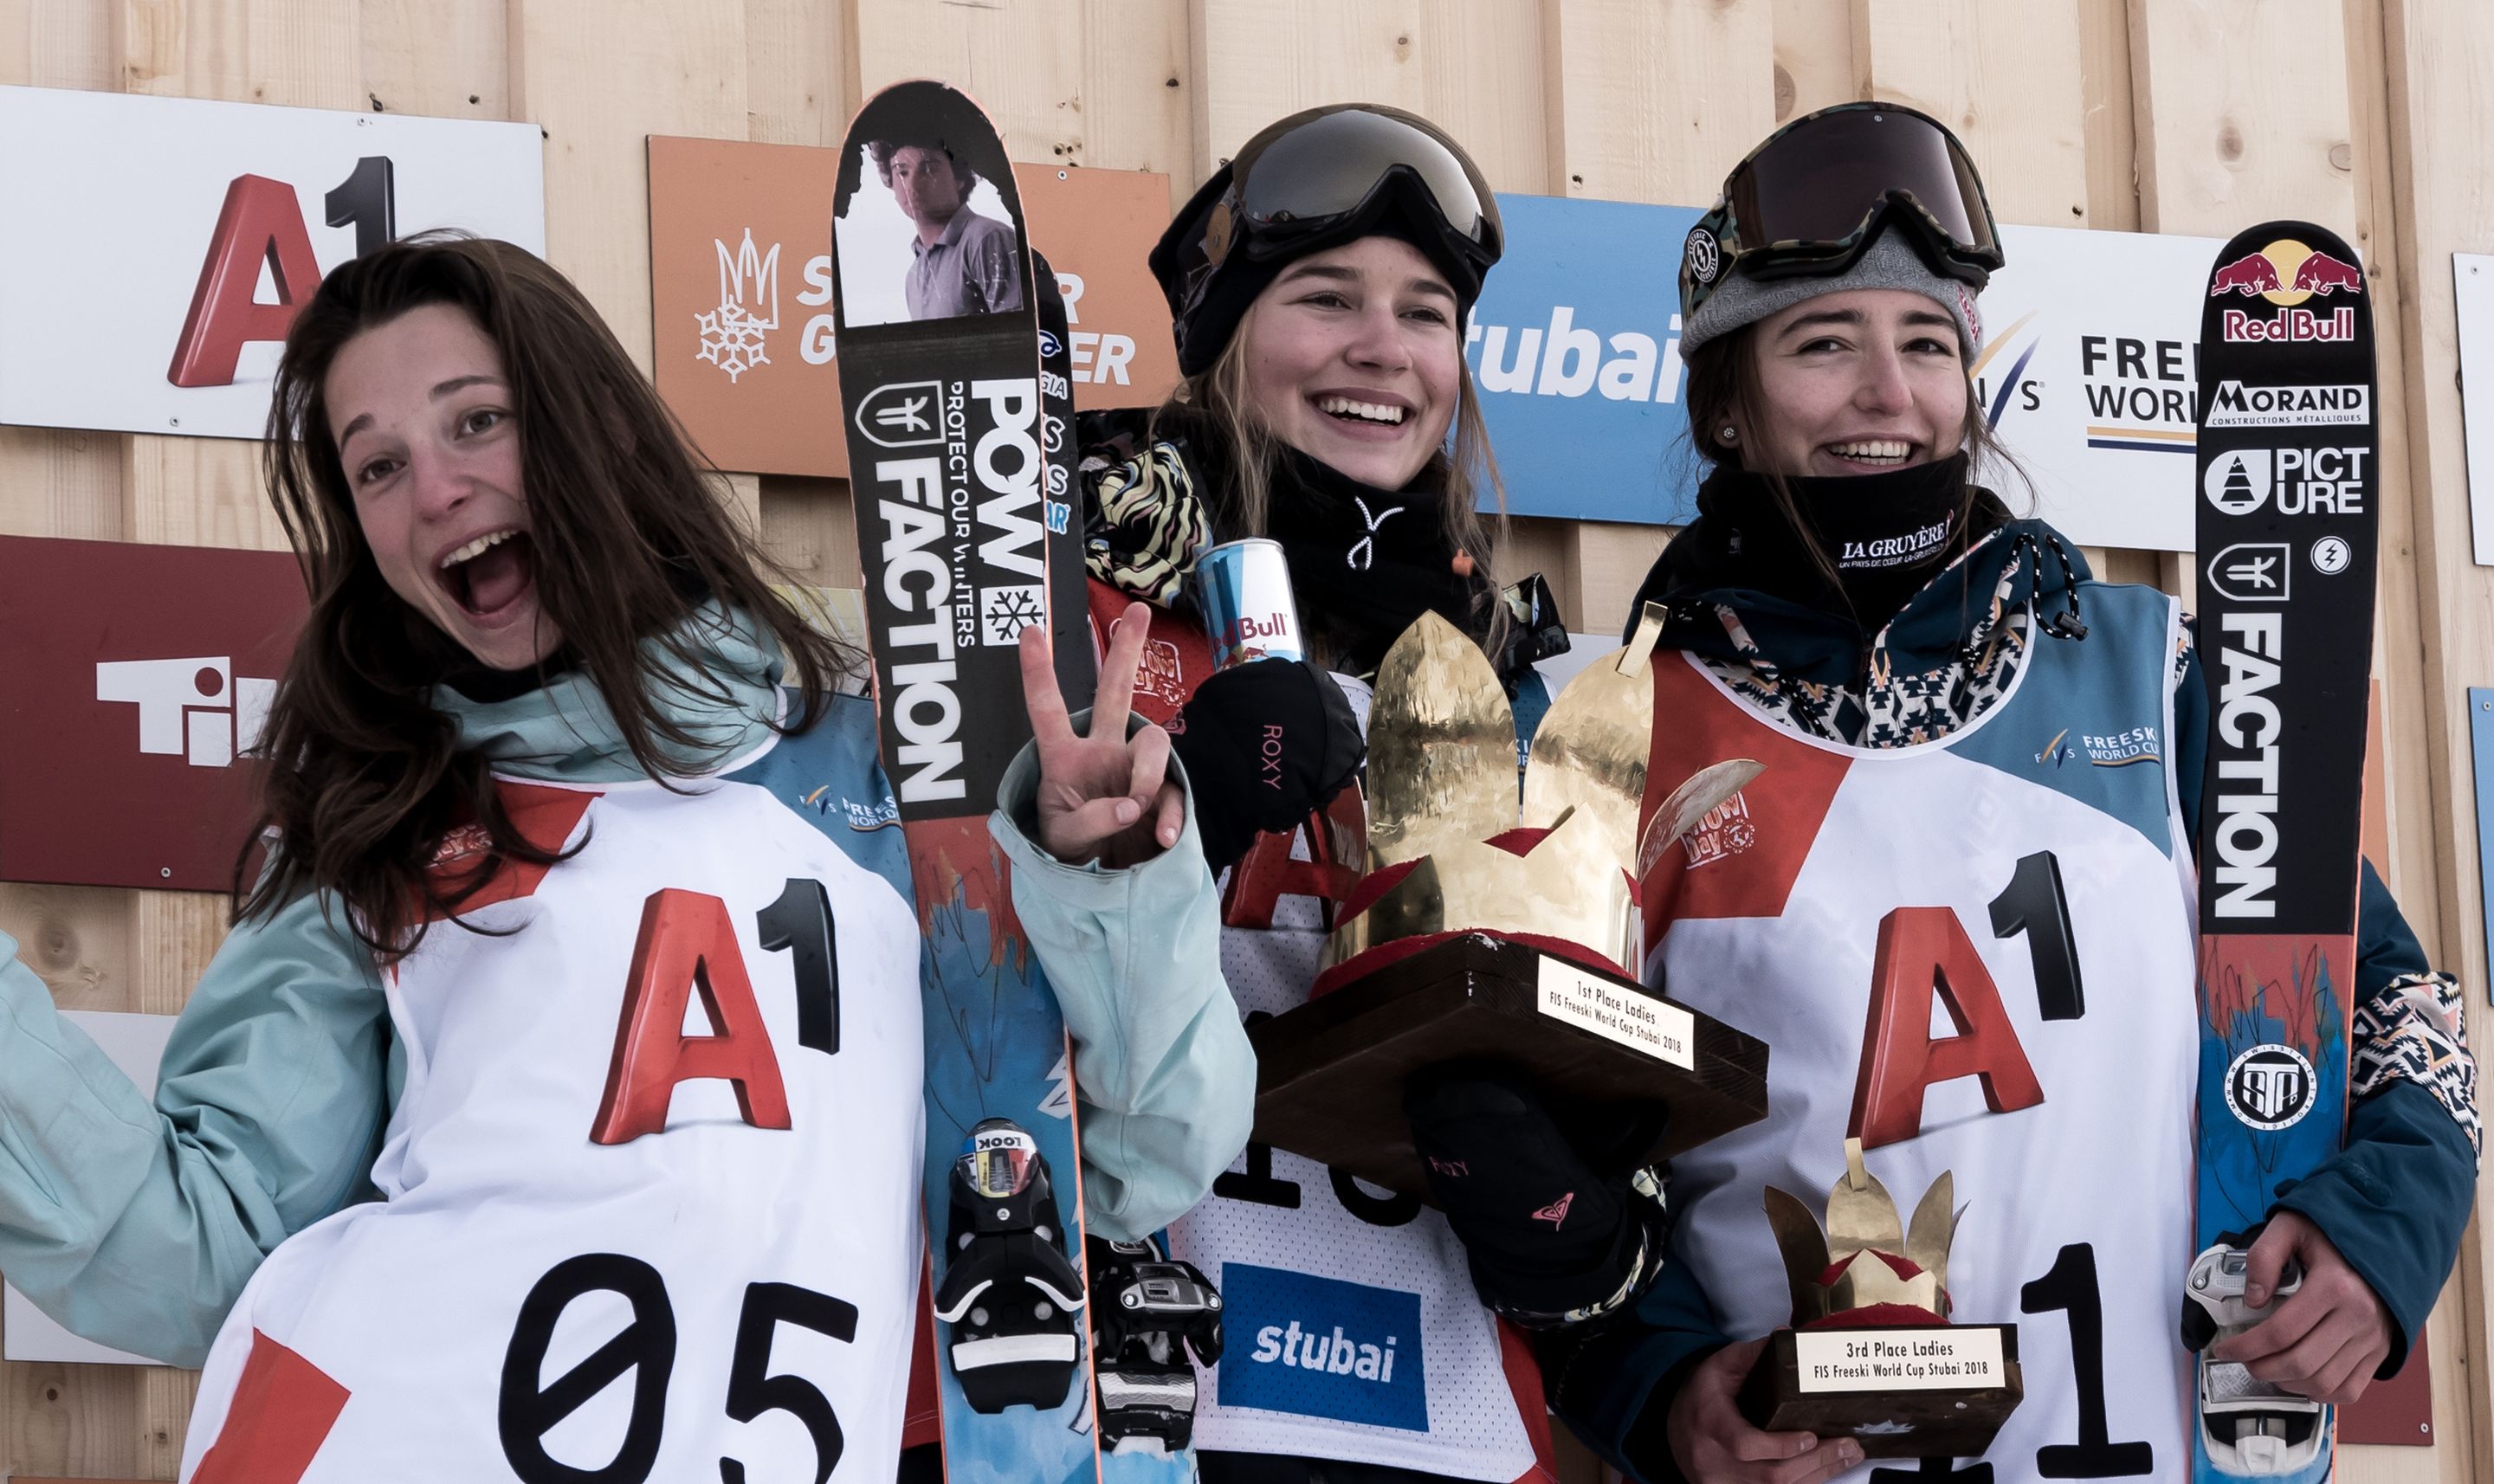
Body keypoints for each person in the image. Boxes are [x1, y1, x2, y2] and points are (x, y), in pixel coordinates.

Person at [0, 236, 1249, 1477]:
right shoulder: (373, 834)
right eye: (376, 465)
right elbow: (203, 1252)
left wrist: (1113, 882)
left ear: (593, 424)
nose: (433, 489)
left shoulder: (878, 773)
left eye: (477, 421)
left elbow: (1132, 1165)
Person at [1538, 102, 2479, 1484]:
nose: (1888, 393)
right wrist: (1662, 1381)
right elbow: (1536, 1148)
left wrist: (2380, 1232)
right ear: (1724, 404)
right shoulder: (1604, 726)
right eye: (1822, 343)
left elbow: (2388, 1005)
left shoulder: (2163, 676)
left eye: (1927, 343)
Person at [1076, 102, 1649, 1484]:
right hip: (1134, 1414)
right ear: (1222, 344)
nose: (1382, 348)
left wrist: (1586, 1233)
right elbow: (945, 1020)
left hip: (1447, 1429)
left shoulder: (1525, 684)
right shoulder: (1079, 618)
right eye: (1324, 297)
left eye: (1424, 310)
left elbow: (1626, 1126)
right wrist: (1176, 828)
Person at [869, 136, 1024, 319]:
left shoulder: (987, 238)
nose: (911, 185)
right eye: (902, 172)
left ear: (959, 178)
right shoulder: (914, 275)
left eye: (928, 169)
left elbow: (1018, 336)